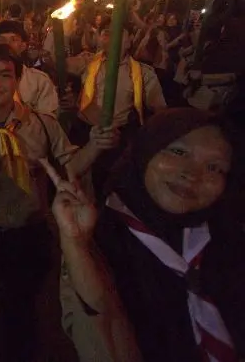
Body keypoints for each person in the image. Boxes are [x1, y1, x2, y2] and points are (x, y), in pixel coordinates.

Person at [0, 44, 118, 362]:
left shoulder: (42, 125)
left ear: (17, 80)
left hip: (26, 234)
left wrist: (95, 147)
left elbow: (69, 167)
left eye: (4, 75)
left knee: (22, 314)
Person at [54, 108, 245, 362]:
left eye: (214, 167)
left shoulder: (227, 235)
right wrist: (76, 246)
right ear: (146, 151)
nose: (191, 174)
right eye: (178, 152)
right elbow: (101, 344)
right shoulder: (100, 241)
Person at [72, 21, 167, 200]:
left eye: (118, 33)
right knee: (79, 184)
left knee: (108, 186)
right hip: (83, 133)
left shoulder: (142, 73)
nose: (111, 37)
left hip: (116, 139)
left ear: (130, 40)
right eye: (106, 33)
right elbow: (58, 64)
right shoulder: (87, 61)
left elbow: (160, 110)